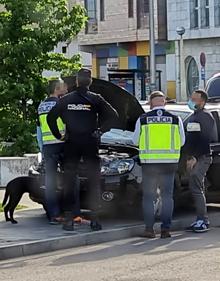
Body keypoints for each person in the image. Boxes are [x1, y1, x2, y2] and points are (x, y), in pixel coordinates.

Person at [47, 68, 118, 231]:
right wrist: (100, 130)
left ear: (77, 81)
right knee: (94, 180)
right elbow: (114, 116)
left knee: (69, 181)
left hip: (71, 142)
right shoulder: (95, 98)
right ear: (90, 82)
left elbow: (51, 118)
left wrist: (59, 135)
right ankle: (95, 220)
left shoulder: (66, 99)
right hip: (90, 142)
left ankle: (69, 220)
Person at [132, 91, 185, 238]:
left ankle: (149, 229)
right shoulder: (175, 119)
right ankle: (166, 230)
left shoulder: (143, 119)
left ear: (150, 103)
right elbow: (182, 142)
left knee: (149, 197)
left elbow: (135, 140)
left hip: (150, 165)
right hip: (169, 164)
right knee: (167, 197)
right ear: (164, 103)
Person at [184, 89, 218, 233]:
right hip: (196, 158)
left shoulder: (204, 116)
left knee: (196, 189)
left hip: (202, 158)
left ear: (202, 101)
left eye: (194, 99)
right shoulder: (194, 116)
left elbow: (204, 140)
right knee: (197, 188)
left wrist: (194, 158)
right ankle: (200, 219)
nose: (191, 101)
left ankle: (202, 221)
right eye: (191, 98)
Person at [38, 78, 67, 224]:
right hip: (62, 144)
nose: (66, 89)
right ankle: (70, 212)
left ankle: (53, 215)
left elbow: (38, 131)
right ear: (57, 89)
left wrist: (42, 149)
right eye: (63, 87)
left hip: (48, 147)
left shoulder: (41, 106)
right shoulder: (60, 104)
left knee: (50, 182)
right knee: (70, 178)